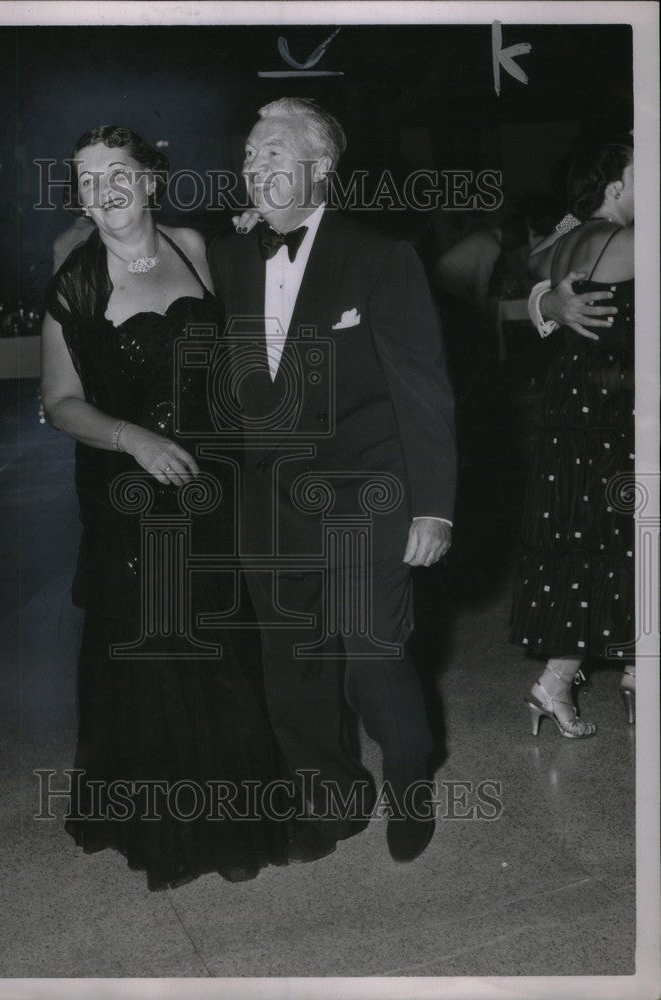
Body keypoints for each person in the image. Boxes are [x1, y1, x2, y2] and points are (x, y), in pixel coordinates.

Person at [41, 125, 289, 890]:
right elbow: (58, 404)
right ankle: (166, 824)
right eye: (86, 179)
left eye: (118, 172)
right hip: (128, 488)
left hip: (211, 477)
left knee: (216, 637)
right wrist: (133, 440)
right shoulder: (76, 279)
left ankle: (233, 811)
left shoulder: (192, 244)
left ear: (152, 180)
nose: (103, 189)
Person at [208, 98, 456, 863]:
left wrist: (434, 510)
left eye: (276, 153)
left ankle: (410, 784)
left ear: (322, 168)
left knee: (373, 656)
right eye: (250, 155)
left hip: (367, 494)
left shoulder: (380, 257)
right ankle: (331, 795)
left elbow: (425, 390)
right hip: (269, 499)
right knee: (292, 661)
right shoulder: (228, 258)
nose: (258, 167)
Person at [510, 139, 635, 735]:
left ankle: (565, 683)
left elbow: (536, 260)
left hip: (575, 402)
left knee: (596, 538)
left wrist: (550, 297)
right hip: (615, 402)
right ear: (615, 185)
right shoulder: (624, 241)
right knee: (622, 537)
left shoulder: (569, 241)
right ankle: (625, 677)